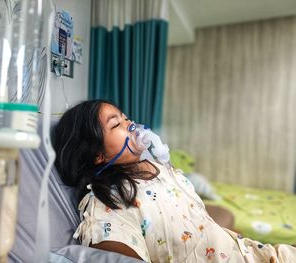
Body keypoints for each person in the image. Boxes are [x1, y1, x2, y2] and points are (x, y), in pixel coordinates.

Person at [53, 99, 296, 262]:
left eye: (126, 118)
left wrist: (227, 235)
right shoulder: (108, 203)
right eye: (116, 123)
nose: (131, 124)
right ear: (97, 155)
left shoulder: (160, 168)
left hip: (256, 253)